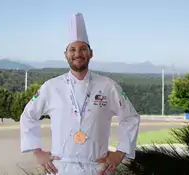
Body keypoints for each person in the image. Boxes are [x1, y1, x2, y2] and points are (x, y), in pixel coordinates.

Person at [20, 12, 140, 175]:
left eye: (83, 49)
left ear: (91, 53)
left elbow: (130, 118)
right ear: (66, 55)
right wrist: (37, 152)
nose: (78, 54)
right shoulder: (51, 87)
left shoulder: (108, 86)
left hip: (97, 168)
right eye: (72, 49)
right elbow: (28, 116)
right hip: (59, 168)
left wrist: (120, 153)